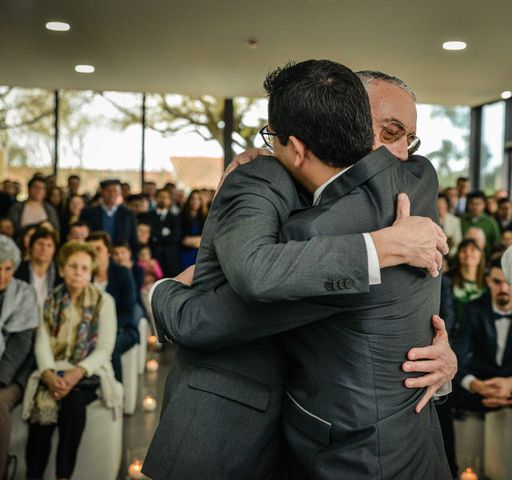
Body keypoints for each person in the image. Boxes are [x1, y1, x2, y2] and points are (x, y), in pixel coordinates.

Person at [143, 63, 453, 480]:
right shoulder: (262, 179)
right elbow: (242, 285)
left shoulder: (404, 188)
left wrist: (446, 360)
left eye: (408, 139)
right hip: (233, 428)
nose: (399, 154)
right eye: (390, 131)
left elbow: (404, 308)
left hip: (349, 447)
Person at [23, 241, 118, 480]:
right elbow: (42, 342)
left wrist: (77, 372)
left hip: (87, 373)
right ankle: (34, 475)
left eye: (84, 268)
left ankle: (63, 476)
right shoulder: (51, 301)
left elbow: (105, 348)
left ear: (91, 273)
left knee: (73, 406)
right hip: (54, 371)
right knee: (41, 409)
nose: (78, 271)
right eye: (73, 266)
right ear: (63, 269)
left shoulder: (103, 301)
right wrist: (47, 373)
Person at [0, 235, 39, 477]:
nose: (3, 274)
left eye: (8, 268)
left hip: (13, 373)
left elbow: (20, 346)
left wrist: (1, 378)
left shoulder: (24, 293)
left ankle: (2, 469)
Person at [453, 257, 512, 413]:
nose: (504, 288)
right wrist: (476, 385)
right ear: (488, 281)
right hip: (478, 393)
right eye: (497, 282)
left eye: (509, 282)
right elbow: (456, 358)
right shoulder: (472, 310)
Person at [87, 232, 138, 383]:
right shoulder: (86, 275)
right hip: (90, 329)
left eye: (98, 249)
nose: (94, 254)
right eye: (90, 250)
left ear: (108, 252)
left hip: (123, 329)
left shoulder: (122, 274)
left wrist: (103, 330)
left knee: (111, 346)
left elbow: (128, 312)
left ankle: (117, 396)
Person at [80, 179, 138, 253]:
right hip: (95, 253)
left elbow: (133, 238)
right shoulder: (88, 212)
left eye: (115, 191)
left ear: (120, 193)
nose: (112, 194)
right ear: (102, 192)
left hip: (120, 256)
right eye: (108, 191)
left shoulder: (128, 214)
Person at [14, 227, 62, 308]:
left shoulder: (60, 274)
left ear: (54, 251)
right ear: (31, 247)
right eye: (40, 244)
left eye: (49, 245)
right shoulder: (17, 271)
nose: (44, 249)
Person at [140, 188, 181, 277]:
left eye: (165, 197)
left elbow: (175, 237)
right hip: (152, 259)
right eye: (160, 197)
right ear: (155, 198)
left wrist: (156, 238)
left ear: (170, 200)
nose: (162, 199)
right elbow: (148, 236)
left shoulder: (175, 218)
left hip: (171, 261)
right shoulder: (147, 216)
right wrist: (164, 235)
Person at [447, 239, 487, 330]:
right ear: (458, 255)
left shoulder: (488, 280)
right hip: (456, 332)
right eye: (464, 250)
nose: (468, 253)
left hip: (481, 333)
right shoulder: (447, 279)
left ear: (481, 255)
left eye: (473, 250)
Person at [179, 189, 207, 269]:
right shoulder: (181, 217)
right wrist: (198, 241)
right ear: (189, 200)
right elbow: (183, 240)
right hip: (184, 254)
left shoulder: (206, 218)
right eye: (193, 199)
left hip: (200, 255)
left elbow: (207, 239)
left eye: (198, 199)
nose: (195, 201)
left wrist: (193, 241)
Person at [438, 193, 462, 257]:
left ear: (447, 204)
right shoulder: (431, 219)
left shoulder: (455, 221)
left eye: (442, 203)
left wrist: (449, 255)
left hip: (451, 255)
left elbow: (458, 241)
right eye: (437, 203)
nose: (439, 205)